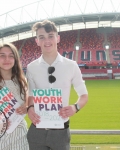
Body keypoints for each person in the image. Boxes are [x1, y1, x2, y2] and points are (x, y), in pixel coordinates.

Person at [26, 20, 88, 150]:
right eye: (41, 37)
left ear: (58, 38)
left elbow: (83, 95)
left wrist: (75, 107)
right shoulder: (31, 67)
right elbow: (30, 95)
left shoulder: (71, 65)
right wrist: (30, 108)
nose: (46, 41)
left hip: (61, 133)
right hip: (37, 130)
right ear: (37, 41)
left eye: (50, 36)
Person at [0, 42, 29, 150]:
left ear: (15, 59)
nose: (7, 59)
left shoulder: (22, 80)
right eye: (2, 55)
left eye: (11, 56)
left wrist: (26, 107)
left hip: (20, 136)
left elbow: (27, 100)